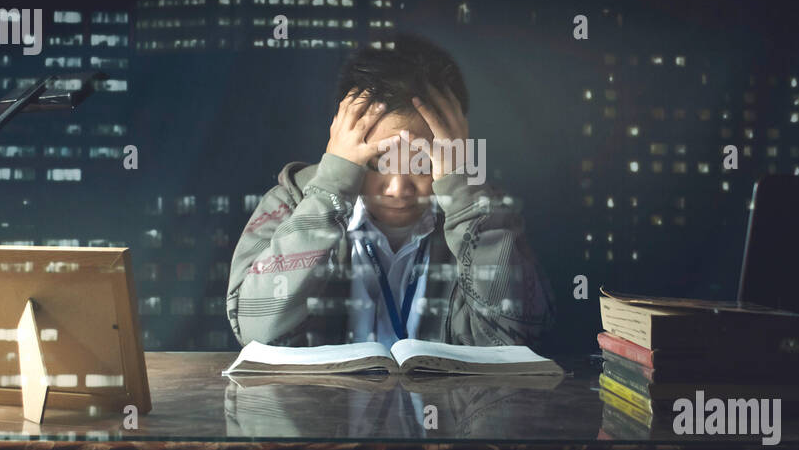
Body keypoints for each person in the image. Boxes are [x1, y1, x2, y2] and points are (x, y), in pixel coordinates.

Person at [226, 33, 555, 349]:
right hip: (323, 407)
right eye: (377, 162)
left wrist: (463, 191)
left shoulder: (485, 215)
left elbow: (514, 340)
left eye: (423, 164)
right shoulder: (289, 204)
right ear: (344, 144)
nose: (398, 188)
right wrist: (330, 187)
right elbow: (257, 333)